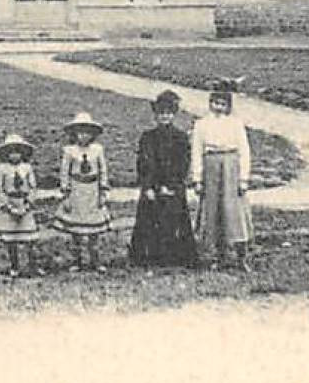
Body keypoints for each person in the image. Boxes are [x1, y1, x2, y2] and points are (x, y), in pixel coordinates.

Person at [129, 90, 198, 268]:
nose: (164, 117)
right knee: (148, 218)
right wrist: (148, 187)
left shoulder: (181, 138)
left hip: (173, 186)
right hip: (152, 187)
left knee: (173, 218)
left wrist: (171, 186)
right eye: (161, 113)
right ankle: (147, 256)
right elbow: (144, 164)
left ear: (174, 114)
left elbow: (183, 164)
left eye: (168, 113)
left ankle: (175, 257)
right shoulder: (148, 137)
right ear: (155, 115)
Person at [190, 82, 254, 271]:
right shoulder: (201, 124)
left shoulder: (236, 124)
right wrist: (197, 179)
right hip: (211, 167)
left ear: (228, 106)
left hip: (231, 167)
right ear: (210, 103)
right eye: (215, 103)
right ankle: (217, 256)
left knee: (234, 211)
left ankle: (241, 257)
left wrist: (243, 178)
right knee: (214, 211)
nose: (218, 107)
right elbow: (196, 151)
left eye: (223, 104)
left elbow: (244, 150)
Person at [53, 112, 112, 271]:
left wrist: (103, 192)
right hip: (77, 191)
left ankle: (95, 260)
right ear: (74, 134)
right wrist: (65, 195)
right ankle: (77, 261)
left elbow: (103, 171)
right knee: (76, 231)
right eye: (80, 132)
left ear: (93, 134)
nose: (83, 136)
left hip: (92, 191)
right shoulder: (69, 151)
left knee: (94, 232)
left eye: (87, 132)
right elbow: (64, 173)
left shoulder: (98, 150)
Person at [0, 133, 41, 278]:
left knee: (30, 240)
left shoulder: (27, 168)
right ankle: (14, 266)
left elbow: (33, 187)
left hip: (24, 204)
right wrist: (7, 206)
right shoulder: (3, 168)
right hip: (9, 205)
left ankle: (33, 265)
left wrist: (28, 203)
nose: (15, 155)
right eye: (11, 152)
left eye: (18, 152)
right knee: (11, 240)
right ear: (6, 154)